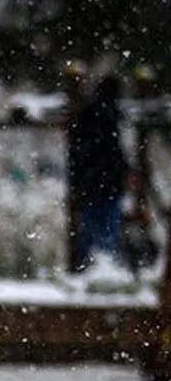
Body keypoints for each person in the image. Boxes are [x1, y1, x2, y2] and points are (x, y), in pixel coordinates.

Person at [68, 75, 127, 272]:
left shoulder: (89, 114)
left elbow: (80, 151)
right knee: (107, 224)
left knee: (90, 223)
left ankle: (88, 264)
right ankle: (103, 265)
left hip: (92, 181)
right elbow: (114, 151)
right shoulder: (110, 115)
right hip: (106, 181)